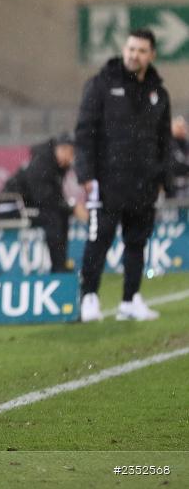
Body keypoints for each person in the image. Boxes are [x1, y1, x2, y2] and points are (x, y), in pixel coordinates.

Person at [74, 29, 172, 322]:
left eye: (141, 51)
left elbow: (164, 140)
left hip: (144, 183)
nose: (134, 55)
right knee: (99, 240)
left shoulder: (159, 93)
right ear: (123, 49)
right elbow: (84, 132)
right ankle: (89, 298)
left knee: (137, 243)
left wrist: (162, 180)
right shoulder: (101, 84)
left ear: (151, 55)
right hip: (106, 181)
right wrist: (86, 174)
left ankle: (130, 300)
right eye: (130, 49)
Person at [0, 134, 85, 272]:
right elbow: (44, 198)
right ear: (62, 149)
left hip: (24, 206)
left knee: (60, 215)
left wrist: (68, 209)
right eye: (71, 153)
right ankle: (58, 267)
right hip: (7, 207)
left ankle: (60, 264)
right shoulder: (42, 164)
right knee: (53, 218)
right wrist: (72, 208)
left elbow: (53, 198)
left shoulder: (55, 166)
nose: (72, 158)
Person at [168, 115, 189, 198]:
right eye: (180, 127)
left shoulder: (186, 144)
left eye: (184, 126)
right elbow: (174, 165)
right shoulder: (170, 145)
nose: (184, 129)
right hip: (173, 189)